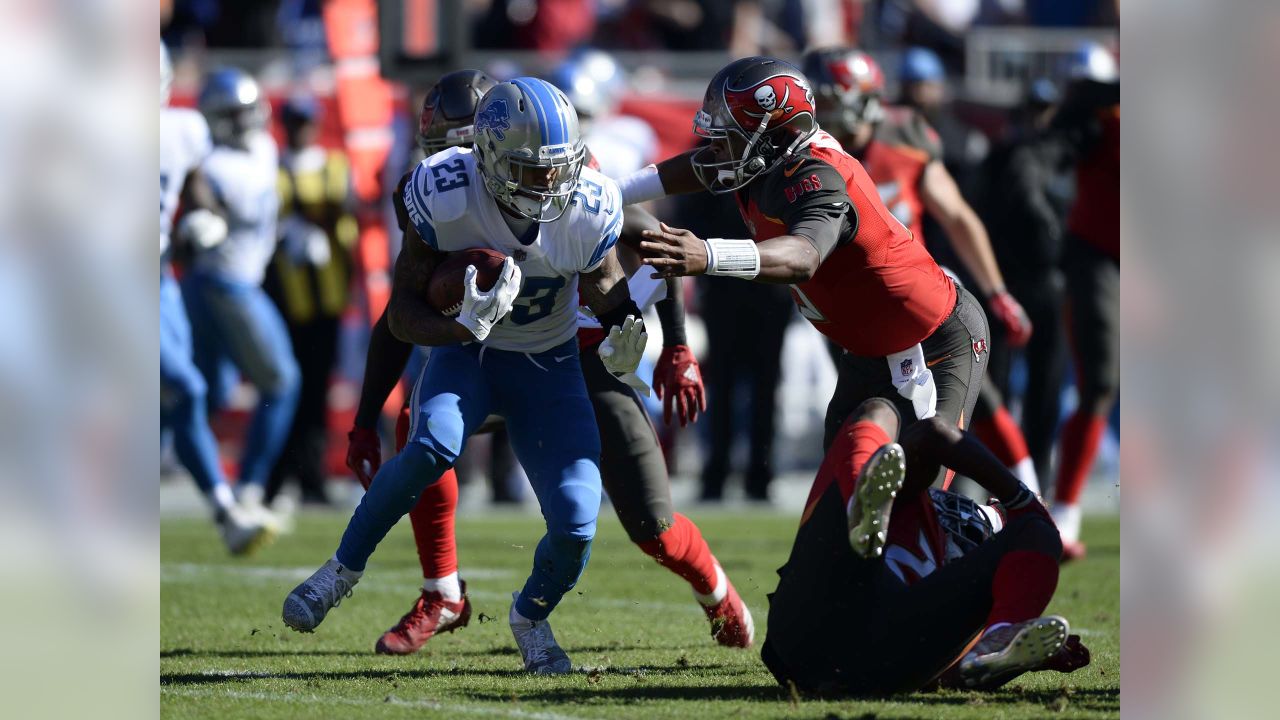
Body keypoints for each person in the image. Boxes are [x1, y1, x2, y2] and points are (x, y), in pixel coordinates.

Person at [346, 70, 753, 656]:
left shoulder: (561, 183)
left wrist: (679, 346)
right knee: (421, 434)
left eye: (464, 149)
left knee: (652, 527)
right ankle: (442, 592)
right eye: (446, 153)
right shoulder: (437, 191)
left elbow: (659, 240)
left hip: (580, 358)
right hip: (492, 357)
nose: (455, 163)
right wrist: (365, 417)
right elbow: (397, 315)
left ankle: (714, 590)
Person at [283, 77, 650, 675]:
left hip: (549, 365)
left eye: (560, 168)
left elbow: (607, 286)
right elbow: (400, 313)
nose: (553, 184)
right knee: (431, 443)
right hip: (472, 357)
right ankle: (340, 570)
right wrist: (460, 329)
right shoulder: (445, 193)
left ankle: (530, 616)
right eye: (534, 171)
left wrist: (626, 329)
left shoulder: (586, 202)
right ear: (492, 161)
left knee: (579, 523)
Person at [619, 56, 987, 487]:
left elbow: (803, 256)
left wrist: (707, 254)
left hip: (930, 336)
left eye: (728, 139)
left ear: (776, 133)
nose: (717, 150)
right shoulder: (766, 159)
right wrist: (613, 191)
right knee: (835, 504)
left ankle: (1008, 520)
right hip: (869, 350)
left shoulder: (818, 174)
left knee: (925, 493)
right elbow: (698, 165)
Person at [801, 46, 1040, 493]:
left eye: (830, 101)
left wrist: (997, 291)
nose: (821, 115)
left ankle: (1031, 501)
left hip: (918, 299)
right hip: (851, 310)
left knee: (977, 401)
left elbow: (956, 216)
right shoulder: (804, 157)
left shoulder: (904, 134)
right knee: (867, 414)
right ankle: (879, 506)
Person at [761, 397, 1090, 695]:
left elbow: (952, 676)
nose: (969, 517)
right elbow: (930, 434)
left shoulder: (970, 594)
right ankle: (857, 510)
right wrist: (1022, 501)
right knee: (881, 413)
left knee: (879, 411)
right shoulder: (904, 493)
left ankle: (1003, 634)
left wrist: (1018, 659)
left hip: (816, 642)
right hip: (865, 656)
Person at [160, 45, 275, 554]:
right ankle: (231, 507)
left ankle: (228, 512)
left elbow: (193, 187)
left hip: (159, 277)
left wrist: (202, 221)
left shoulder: (182, 130)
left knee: (188, 394)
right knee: (185, 387)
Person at [182, 68, 301, 516]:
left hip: (227, 280)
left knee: (206, 391)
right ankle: (249, 487)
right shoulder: (212, 165)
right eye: (233, 113)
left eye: (247, 110)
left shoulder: (265, 148)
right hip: (226, 281)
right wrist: (203, 220)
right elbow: (200, 207)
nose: (244, 120)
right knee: (280, 381)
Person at [264, 96, 356, 507]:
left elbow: (348, 219)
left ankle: (311, 477)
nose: (303, 128)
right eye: (296, 121)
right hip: (286, 297)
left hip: (327, 297)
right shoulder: (274, 169)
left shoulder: (334, 167)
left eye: (308, 121)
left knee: (316, 389)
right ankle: (277, 476)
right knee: (286, 386)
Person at [1047, 46, 1120, 561]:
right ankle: (1066, 508)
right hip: (1099, 252)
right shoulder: (1094, 113)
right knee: (1099, 379)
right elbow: (1061, 134)